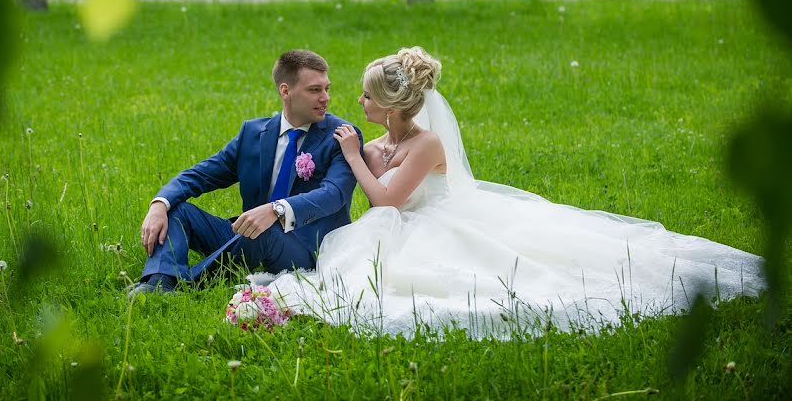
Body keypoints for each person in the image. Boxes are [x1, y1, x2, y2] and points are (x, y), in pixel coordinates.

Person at [264, 46, 766, 338]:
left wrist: (356, 158)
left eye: (367, 95)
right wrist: (359, 154)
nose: (358, 100)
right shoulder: (377, 141)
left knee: (508, 276)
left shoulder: (426, 142)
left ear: (392, 104)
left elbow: (387, 200)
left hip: (435, 221)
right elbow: (376, 185)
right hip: (399, 225)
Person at [128, 50, 361, 296]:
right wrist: (158, 204)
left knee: (265, 230)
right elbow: (202, 174)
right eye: (315, 90)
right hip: (247, 234)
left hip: (305, 249)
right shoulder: (253, 133)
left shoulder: (341, 134)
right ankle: (159, 281)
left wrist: (276, 210)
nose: (326, 98)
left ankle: (186, 285)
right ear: (285, 91)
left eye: (327, 88)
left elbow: (334, 194)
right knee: (177, 208)